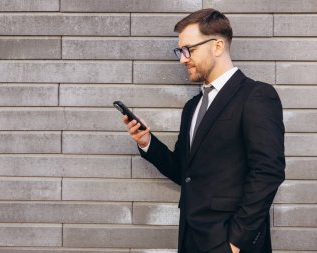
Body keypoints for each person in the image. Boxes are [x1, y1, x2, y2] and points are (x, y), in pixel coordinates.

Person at [122, 8, 285, 253]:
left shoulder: (256, 95)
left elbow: (268, 172)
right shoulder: (192, 107)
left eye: (189, 50)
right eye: (180, 51)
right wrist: (147, 142)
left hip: (228, 240)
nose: (182, 59)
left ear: (217, 46)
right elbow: (183, 172)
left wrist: (236, 242)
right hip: (190, 238)